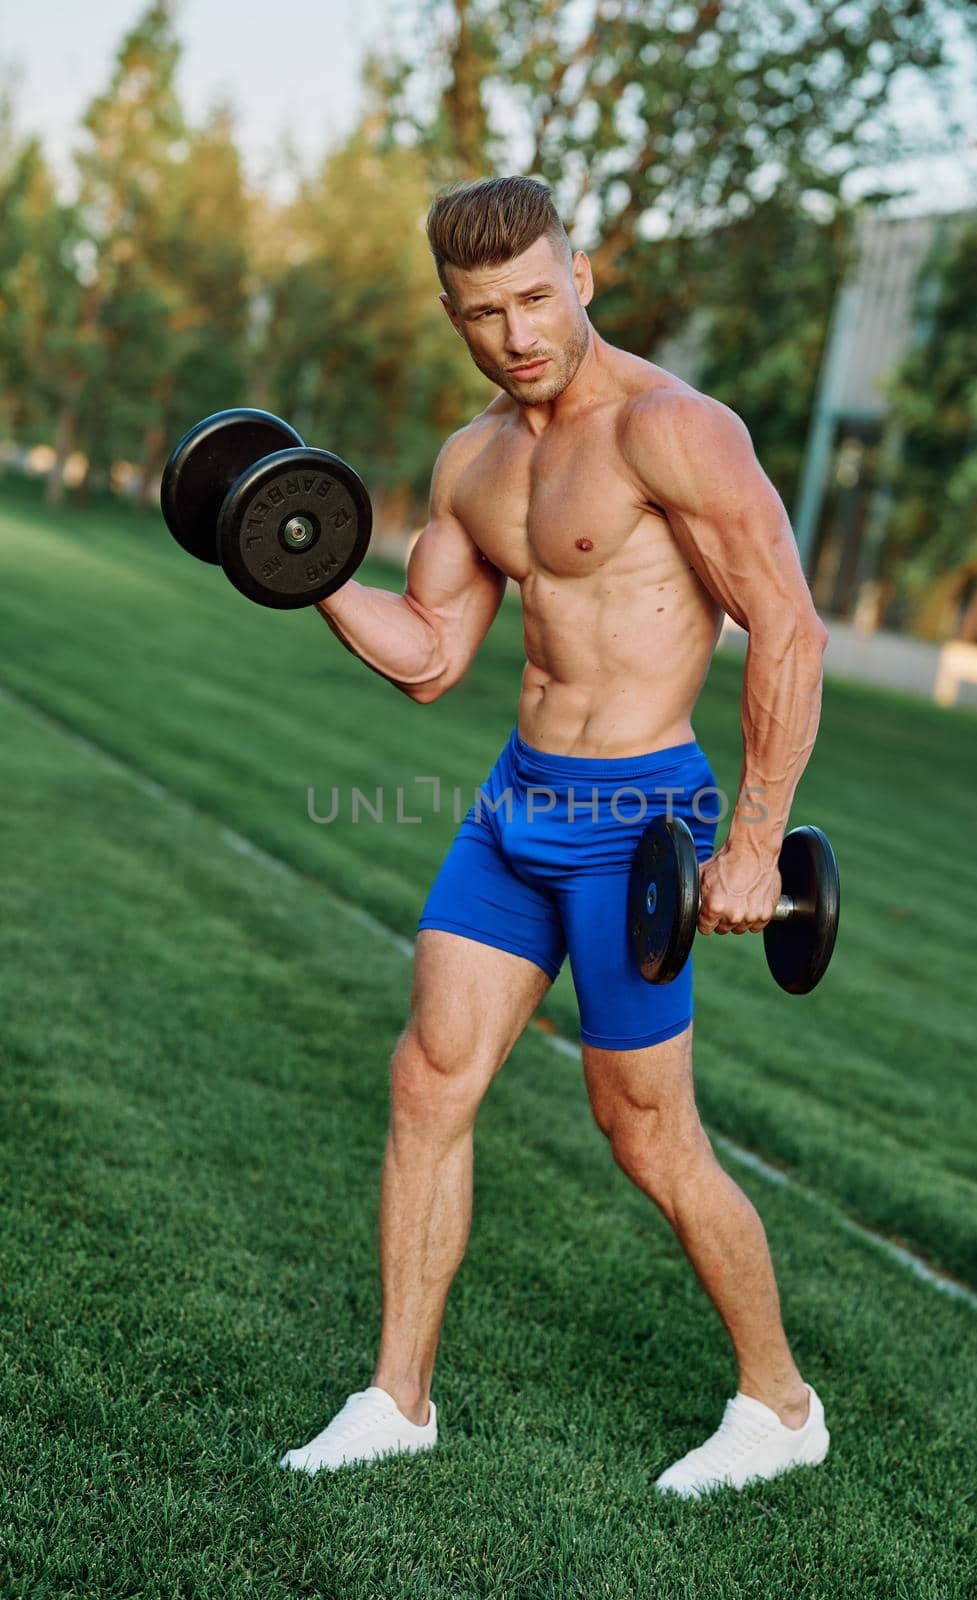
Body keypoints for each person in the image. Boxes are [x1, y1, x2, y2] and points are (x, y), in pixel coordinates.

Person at [280, 175, 831, 1497]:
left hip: (644, 821)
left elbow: (789, 627)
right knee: (429, 1079)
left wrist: (753, 842)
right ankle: (396, 1399)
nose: (519, 331)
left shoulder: (673, 431)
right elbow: (428, 659)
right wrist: (305, 571)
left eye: (538, 297)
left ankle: (782, 1403)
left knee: (644, 1133)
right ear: (454, 317)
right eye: (487, 313)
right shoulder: (475, 462)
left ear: (580, 277)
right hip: (515, 810)